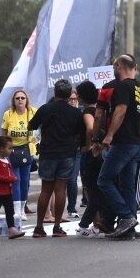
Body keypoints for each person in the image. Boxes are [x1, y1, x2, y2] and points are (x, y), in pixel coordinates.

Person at [95, 54, 140, 239]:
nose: (114, 69)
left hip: (122, 142)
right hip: (136, 143)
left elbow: (120, 111)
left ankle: (126, 217)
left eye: (115, 66)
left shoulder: (120, 86)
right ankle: (129, 228)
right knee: (128, 186)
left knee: (104, 180)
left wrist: (109, 135)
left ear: (119, 66)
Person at [26, 79, 84, 238]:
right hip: (67, 154)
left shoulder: (46, 109)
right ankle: (57, 226)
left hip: (48, 153)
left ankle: (39, 227)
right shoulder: (75, 112)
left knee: (46, 190)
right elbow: (80, 134)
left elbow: (31, 125)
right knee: (60, 190)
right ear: (68, 95)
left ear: (55, 92)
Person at [75, 80, 107, 237]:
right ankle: (98, 223)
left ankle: (85, 224)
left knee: (91, 191)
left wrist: (90, 145)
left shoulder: (88, 111)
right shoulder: (102, 109)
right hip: (101, 152)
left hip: (90, 154)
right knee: (97, 190)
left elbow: (89, 128)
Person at [0, 89, 37, 222]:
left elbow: (39, 129)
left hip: (27, 150)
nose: (20, 100)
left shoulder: (33, 112)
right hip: (12, 151)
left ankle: (22, 209)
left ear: (26, 100)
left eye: (22, 98)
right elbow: (3, 134)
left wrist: (36, 140)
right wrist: (2, 151)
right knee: (16, 180)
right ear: (13, 101)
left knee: (25, 181)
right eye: (17, 98)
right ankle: (16, 211)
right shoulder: (8, 114)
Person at [65, 89, 82, 218]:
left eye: (74, 99)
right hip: (64, 150)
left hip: (77, 151)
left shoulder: (81, 113)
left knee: (72, 179)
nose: (72, 101)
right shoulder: (63, 113)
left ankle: (72, 207)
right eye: (70, 99)